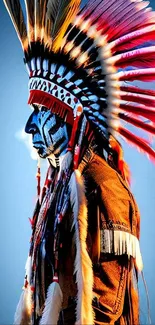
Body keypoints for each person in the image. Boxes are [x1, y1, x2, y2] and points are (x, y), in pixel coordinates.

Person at [3, 0, 155, 324]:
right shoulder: (57, 194)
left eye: (42, 112)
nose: (30, 125)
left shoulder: (103, 188)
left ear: (71, 117)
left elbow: (104, 310)